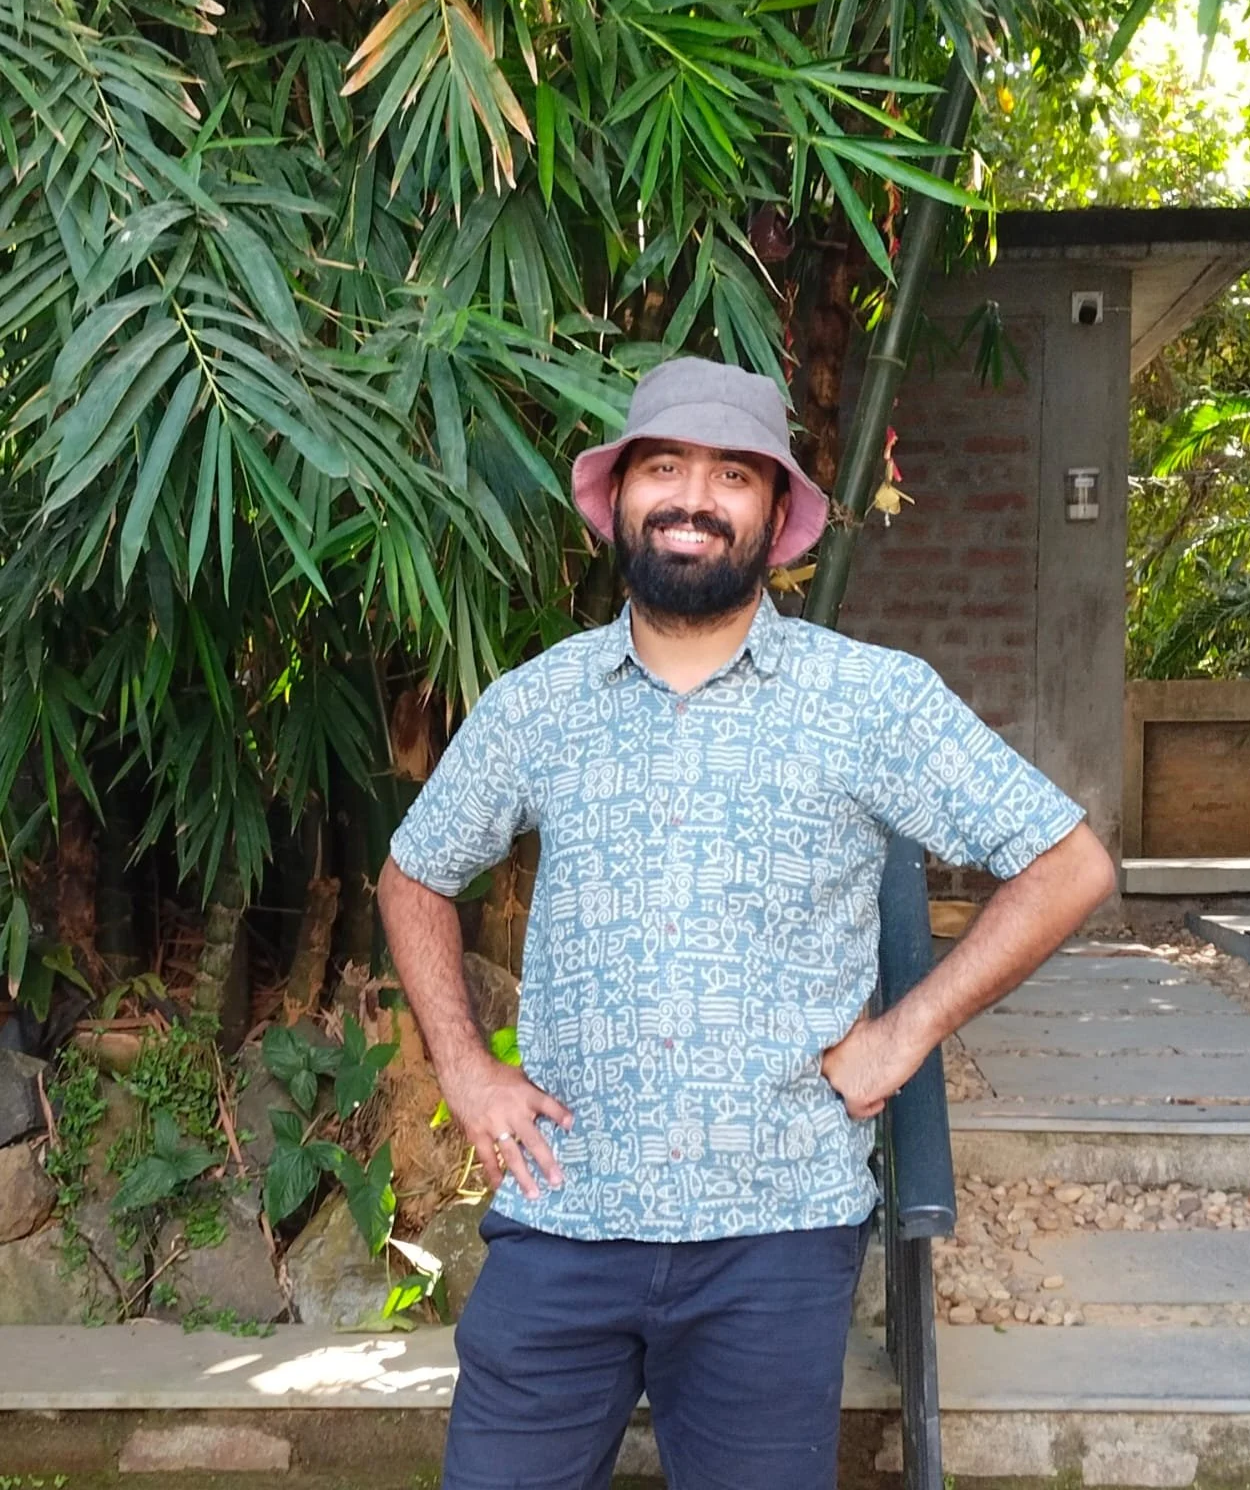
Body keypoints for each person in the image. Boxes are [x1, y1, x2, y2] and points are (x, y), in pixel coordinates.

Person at [378, 356, 1116, 1490]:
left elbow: (1068, 864)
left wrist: (904, 1035)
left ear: (776, 516)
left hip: (774, 1234)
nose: (692, 498)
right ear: (618, 498)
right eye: (663, 467)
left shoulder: (869, 699)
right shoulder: (539, 703)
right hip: (563, 1214)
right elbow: (413, 873)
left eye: (732, 474)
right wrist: (467, 1069)